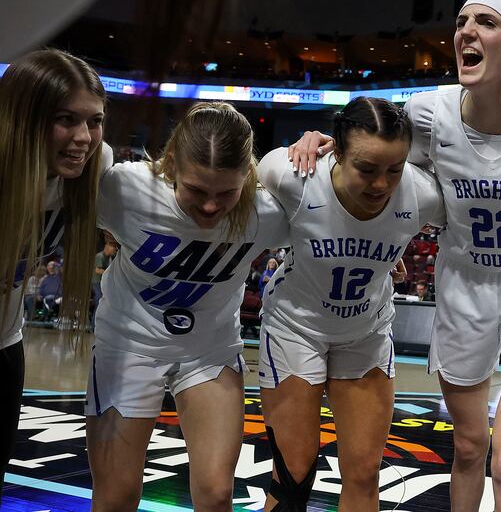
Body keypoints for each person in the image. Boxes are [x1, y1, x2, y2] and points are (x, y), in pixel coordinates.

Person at [287, 0, 501, 511]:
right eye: (462, 21)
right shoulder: (427, 113)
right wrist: (325, 142)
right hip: (463, 284)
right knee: (470, 447)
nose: (466, 31)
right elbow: (391, 178)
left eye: (486, 23)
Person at [85, 102, 289, 512]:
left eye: (226, 193)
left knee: (216, 495)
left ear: (247, 175)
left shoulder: (266, 212)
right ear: (171, 164)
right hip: (127, 348)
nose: (211, 207)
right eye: (196, 190)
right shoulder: (125, 189)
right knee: (116, 497)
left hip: (209, 352)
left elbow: (335, 212)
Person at [256, 97, 445, 511]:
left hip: (366, 332)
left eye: (393, 170)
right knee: (293, 475)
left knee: (364, 474)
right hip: (295, 329)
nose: (381, 184)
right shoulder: (292, 175)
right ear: (336, 151)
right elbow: (234, 187)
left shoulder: (423, 193)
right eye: (367, 169)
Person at [0, 49, 110, 498]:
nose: (84, 137)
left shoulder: (91, 170)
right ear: (23, 117)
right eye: (66, 119)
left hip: (6, 345)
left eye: (95, 121)